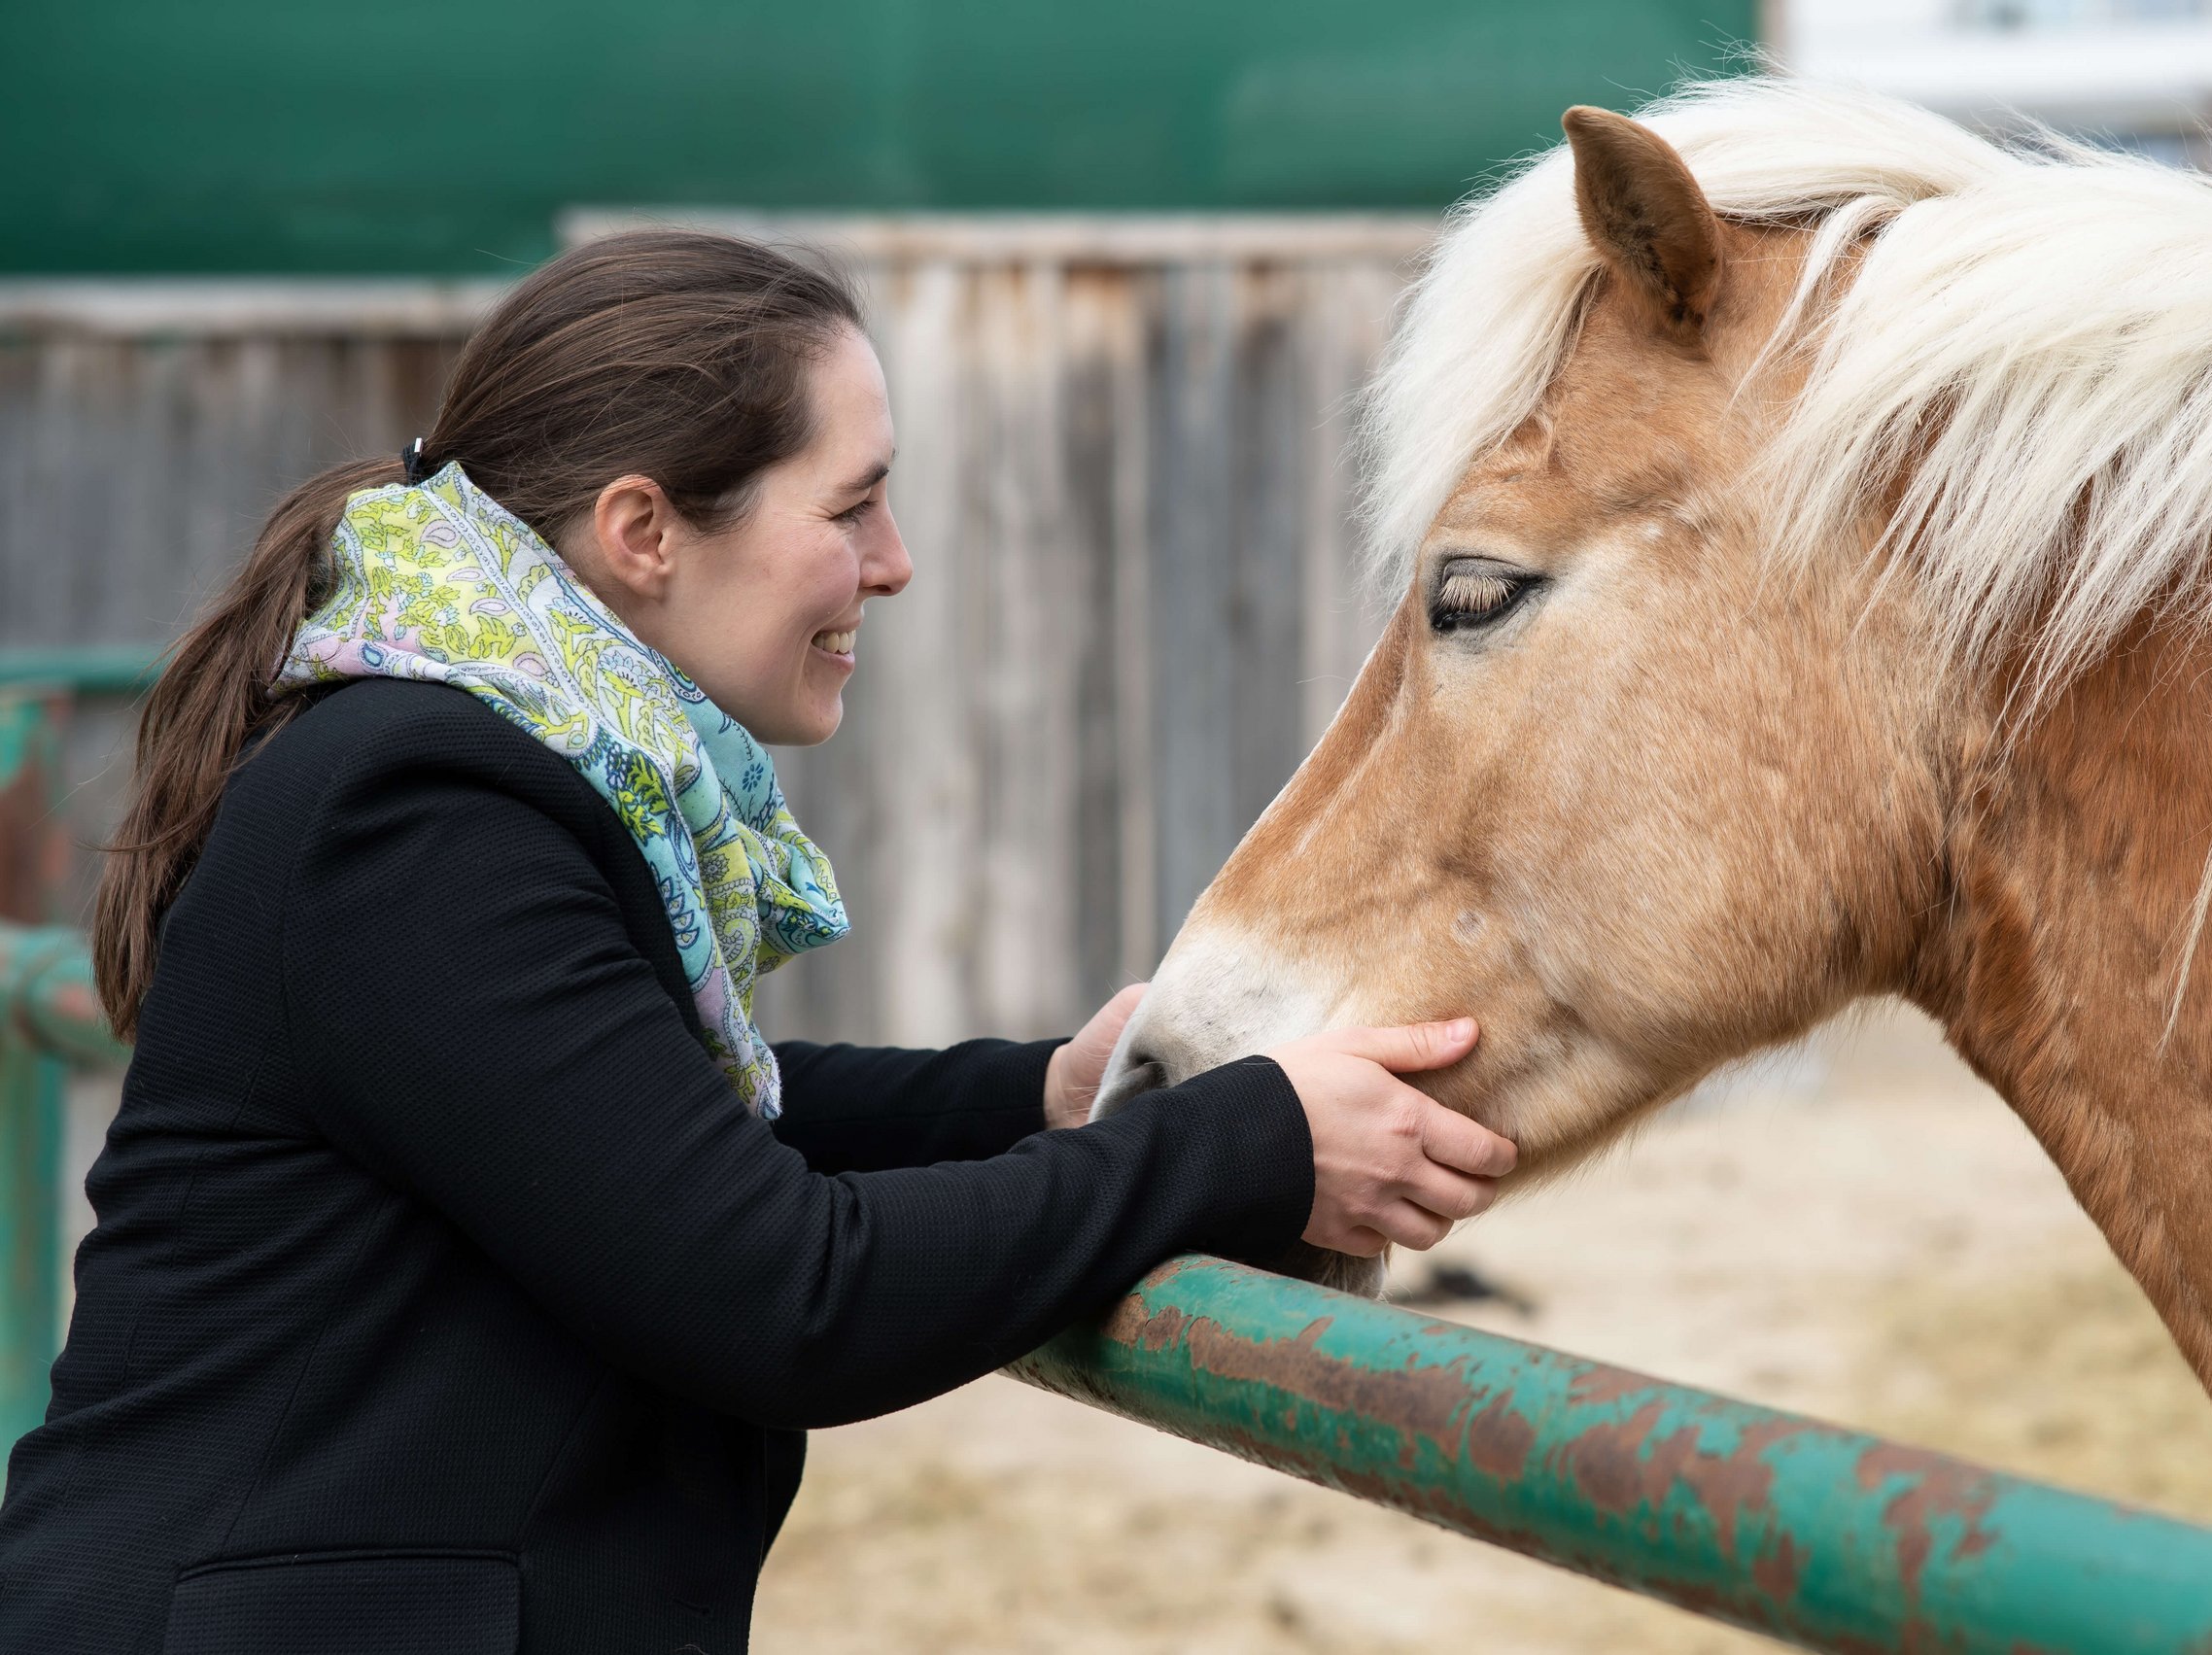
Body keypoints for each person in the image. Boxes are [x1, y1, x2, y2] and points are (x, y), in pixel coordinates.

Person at [0, 230, 1516, 1655]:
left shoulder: (488, 759)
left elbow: (646, 1127)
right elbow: (782, 1292)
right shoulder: (421, 806)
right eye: (851, 504)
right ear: (645, 531)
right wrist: (1251, 1140)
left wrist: (1042, 1095)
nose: (897, 559)